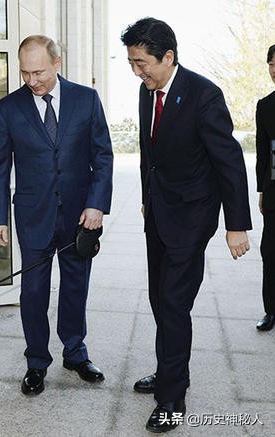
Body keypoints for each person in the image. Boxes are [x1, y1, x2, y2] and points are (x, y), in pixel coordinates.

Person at [120, 18, 252, 433]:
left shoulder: (203, 94)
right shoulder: (148, 93)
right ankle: (169, 371)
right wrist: (145, 199)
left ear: (168, 56)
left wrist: (237, 225)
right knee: (161, 300)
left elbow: (228, 161)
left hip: (191, 217)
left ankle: (172, 398)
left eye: (142, 63)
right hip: (159, 213)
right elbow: (149, 154)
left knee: (174, 304)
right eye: (131, 63)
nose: (137, 71)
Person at [0, 35, 113, 395]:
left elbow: (102, 156)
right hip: (33, 215)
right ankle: (36, 362)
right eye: (25, 73)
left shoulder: (86, 99)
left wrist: (97, 203)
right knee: (34, 291)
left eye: (38, 71)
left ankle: (75, 352)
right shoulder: (7, 109)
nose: (32, 80)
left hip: (78, 215)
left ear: (58, 63)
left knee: (76, 286)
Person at [255, 44, 275, 331]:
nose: (274, 70)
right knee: (270, 251)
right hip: (274, 191)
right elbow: (262, 153)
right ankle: (270, 310)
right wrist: (261, 190)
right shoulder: (266, 105)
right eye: (271, 64)